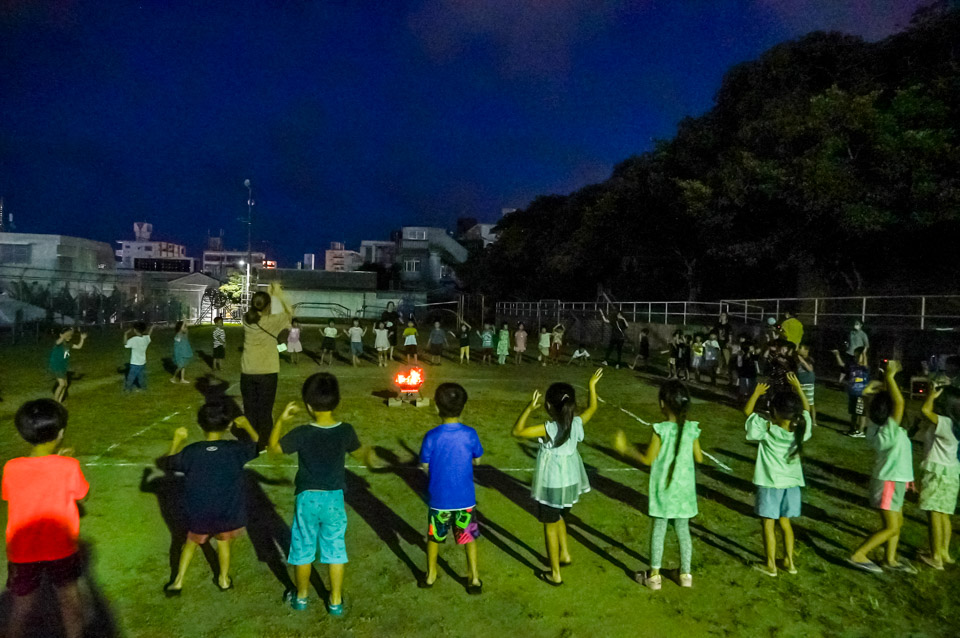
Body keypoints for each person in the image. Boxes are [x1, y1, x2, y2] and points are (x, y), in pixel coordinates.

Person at [269, 373, 373, 615]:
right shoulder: (345, 431)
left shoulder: (302, 432)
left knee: (303, 548)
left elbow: (274, 450)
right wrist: (368, 454)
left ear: (307, 405)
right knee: (335, 549)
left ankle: (301, 597)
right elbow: (360, 454)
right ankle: (335, 601)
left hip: (307, 498)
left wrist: (281, 421)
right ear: (337, 401)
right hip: (334, 499)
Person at [3, 399, 89, 638]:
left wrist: (56, 461)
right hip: (60, 548)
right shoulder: (68, 466)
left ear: (23, 434)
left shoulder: (11, 467)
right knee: (70, 602)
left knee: (21, 607)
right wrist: (64, 461)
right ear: (60, 433)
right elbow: (82, 492)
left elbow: (13, 493)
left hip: (22, 551)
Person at [512, 369, 602, 585]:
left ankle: (555, 573)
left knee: (549, 525)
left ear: (549, 406)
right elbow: (593, 407)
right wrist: (591, 386)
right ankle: (565, 554)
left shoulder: (549, 428)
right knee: (560, 516)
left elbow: (518, 432)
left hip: (552, 484)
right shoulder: (577, 423)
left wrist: (528, 408)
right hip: (570, 484)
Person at [159, 406, 260, 594]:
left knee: (190, 543)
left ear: (200, 425)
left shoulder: (191, 451)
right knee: (224, 544)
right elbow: (256, 446)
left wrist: (177, 440)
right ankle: (223, 579)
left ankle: (178, 581)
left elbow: (169, 462)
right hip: (226, 510)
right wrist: (246, 425)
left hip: (199, 510)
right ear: (228, 425)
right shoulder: (234, 449)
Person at [613, 381, 703, 590]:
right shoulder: (691, 429)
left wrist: (625, 448)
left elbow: (647, 460)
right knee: (683, 531)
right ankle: (685, 575)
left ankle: (654, 576)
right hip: (684, 492)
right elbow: (699, 457)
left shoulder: (660, 430)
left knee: (659, 529)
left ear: (662, 404)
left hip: (664, 490)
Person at [848, 361, 917, 574]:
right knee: (891, 526)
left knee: (898, 522)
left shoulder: (878, 427)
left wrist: (868, 394)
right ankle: (858, 555)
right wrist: (889, 377)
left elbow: (883, 407)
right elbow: (899, 403)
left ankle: (891, 559)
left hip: (895, 480)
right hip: (889, 482)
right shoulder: (888, 431)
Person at [743, 374, 812, 577]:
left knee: (768, 523)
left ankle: (771, 565)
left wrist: (756, 393)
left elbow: (747, 412)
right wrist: (798, 388)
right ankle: (790, 563)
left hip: (770, 483)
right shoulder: (801, 430)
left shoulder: (767, 430)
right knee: (785, 523)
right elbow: (807, 410)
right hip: (792, 486)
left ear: (773, 411)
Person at [418, 383, 484, 594]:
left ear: (437, 407)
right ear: (463, 407)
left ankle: (431, 575)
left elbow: (424, 464)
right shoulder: (470, 434)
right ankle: (474, 577)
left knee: (434, 537)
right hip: (465, 498)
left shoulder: (432, 436)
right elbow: (478, 460)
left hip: (440, 499)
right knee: (469, 538)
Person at [241, 283, 293, 442]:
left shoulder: (247, 319)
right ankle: (263, 442)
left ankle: (250, 441)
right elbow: (290, 312)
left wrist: (270, 298)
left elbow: (262, 312)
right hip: (268, 372)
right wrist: (278, 294)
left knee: (250, 410)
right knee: (265, 411)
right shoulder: (273, 321)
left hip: (248, 371)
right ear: (268, 306)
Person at [916, 386, 960, 570]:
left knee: (934, 513)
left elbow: (924, 411)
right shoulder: (956, 425)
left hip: (937, 473)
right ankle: (944, 553)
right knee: (943, 514)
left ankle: (935, 558)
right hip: (951, 472)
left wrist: (931, 396)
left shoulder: (944, 422)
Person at [832, 346, 870, 437]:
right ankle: (852, 429)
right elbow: (842, 365)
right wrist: (837, 355)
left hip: (861, 395)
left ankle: (860, 431)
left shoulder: (864, 368)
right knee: (853, 413)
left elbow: (865, 364)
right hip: (852, 394)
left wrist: (864, 353)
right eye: (855, 356)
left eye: (858, 356)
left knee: (861, 413)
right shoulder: (852, 366)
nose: (856, 358)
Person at [49, 327, 87, 403]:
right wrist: (64, 335)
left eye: (70, 335)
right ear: (62, 335)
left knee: (65, 384)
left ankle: (59, 402)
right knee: (62, 384)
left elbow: (79, 347)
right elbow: (58, 342)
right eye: (68, 335)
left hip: (63, 366)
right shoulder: (58, 343)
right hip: (57, 365)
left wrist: (82, 338)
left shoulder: (68, 344)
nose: (69, 336)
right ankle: (55, 402)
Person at [123, 321, 154, 392]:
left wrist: (125, 334)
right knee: (141, 376)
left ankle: (127, 389)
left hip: (135, 363)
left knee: (131, 376)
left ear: (135, 330)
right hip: (142, 362)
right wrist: (152, 328)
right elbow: (149, 335)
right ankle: (143, 388)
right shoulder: (146, 339)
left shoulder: (134, 340)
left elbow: (125, 344)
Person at [796, 343, 817, 425]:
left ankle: (814, 421)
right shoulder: (797, 359)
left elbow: (810, 369)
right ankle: (802, 419)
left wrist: (802, 361)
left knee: (811, 403)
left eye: (800, 348)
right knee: (801, 402)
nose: (798, 349)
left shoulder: (809, 359)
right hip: (800, 383)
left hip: (808, 384)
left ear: (806, 350)